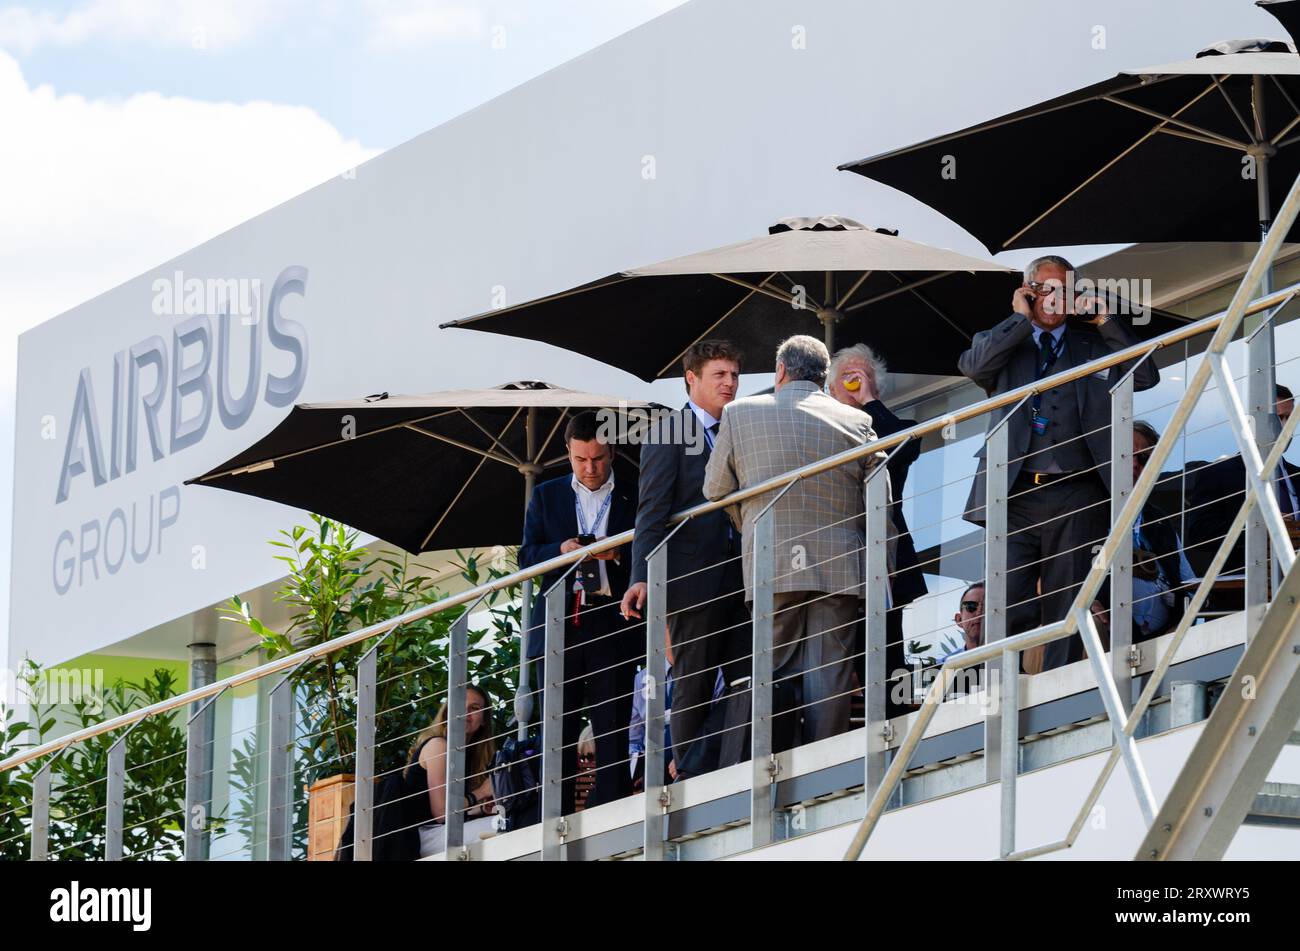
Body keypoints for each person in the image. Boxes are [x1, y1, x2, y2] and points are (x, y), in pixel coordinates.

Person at [959, 254, 1159, 671]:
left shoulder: (1093, 344)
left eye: (1065, 291)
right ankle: (1002, 692)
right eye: (1046, 289)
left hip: (1077, 492)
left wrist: (1104, 318)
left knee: (1067, 599)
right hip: (1012, 494)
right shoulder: (1003, 342)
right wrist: (1018, 319)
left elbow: (1144, 375)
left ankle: (1057, 688)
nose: (1055, 299)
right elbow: (974, 366)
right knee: (1006, 599)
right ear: (1028, 291)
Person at [703, 334, 885, 744]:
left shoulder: (739, 413)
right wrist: (882, 562)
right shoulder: (857, 421)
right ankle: (826, 769)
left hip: (771, 558)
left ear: (780, 371)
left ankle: (772, 765)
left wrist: (750, 520)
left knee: (771, 670)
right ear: (823, 378)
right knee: (831, 673)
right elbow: (880, 499)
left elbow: (714, 489)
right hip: (839, 565)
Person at [621, 340, 751, 777]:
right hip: (692, 582)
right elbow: (650, 512)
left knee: (747, 677)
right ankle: (690, 776)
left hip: (743, 575)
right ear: (691, 379)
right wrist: (641, 577)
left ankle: (727, 765)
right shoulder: (667, 432)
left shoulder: (742, 426)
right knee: (693, 684)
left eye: (734, 374)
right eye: (720, 374)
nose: (730, 383)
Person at [519, 411, 639, 814]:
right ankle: (553, 816)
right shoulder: (547, 494)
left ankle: (613, 810)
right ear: (567, 453)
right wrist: (561, 551)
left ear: (614, 453)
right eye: (581, 460)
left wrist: (619, 551)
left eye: (599, 459)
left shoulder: (636, 493)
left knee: (613, 721)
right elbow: (525, 557)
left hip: (612, 618)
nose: (590, 468)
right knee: (557, 727)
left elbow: (654, 549)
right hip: (559, 622)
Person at [829, 342, 926, 717]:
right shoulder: (819, 435)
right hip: (832, 560)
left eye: (863, 377)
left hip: (885, 562)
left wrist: (867, 402)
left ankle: (896, 725)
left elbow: (901, 450)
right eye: (846, 378)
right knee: (833, 655)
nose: (853, 383)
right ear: (829, 389)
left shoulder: (896, 427)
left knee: (889, 649)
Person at [1185, 384, 1300, 588]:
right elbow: (1199, 533)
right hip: (1243, 591)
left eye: (1288, 418)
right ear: (1252, 422)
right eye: (1277, 419)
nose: (1284, 427)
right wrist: (1259, 527)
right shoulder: (1218, 474)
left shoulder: (1298, 476)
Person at [412, 684, 499, 858]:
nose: (466, 713)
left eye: (474, 708)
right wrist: (481, 792)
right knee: (503, 825)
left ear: (483, 719)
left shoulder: (470, 756)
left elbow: (456, 811)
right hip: (422, 836)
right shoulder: (438, 746)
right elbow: (442, 813)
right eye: (460, 706)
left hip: (442, 831)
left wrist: (481, 808)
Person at [1130, 420, 1195, 641]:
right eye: (1125, 455)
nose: (1134, 464)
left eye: (1144, 458)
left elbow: (1190, 586)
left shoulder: (1159, 521)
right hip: (1108, 633)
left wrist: (1178, 626)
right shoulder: (1088, 513)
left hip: (1163, 638)